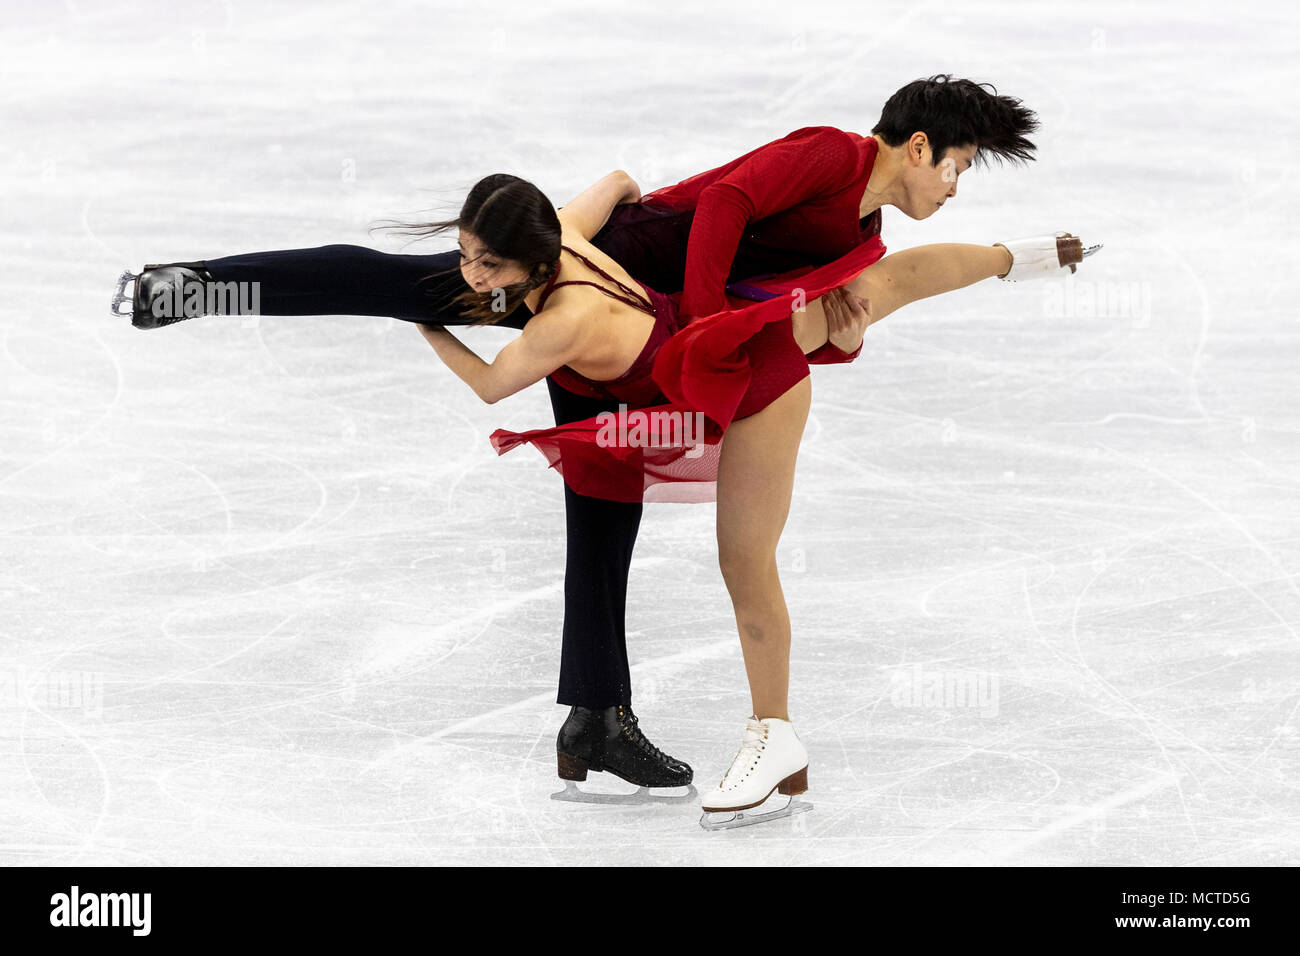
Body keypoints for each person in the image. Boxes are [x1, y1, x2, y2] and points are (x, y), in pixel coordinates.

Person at [115, 75, 1043, 793]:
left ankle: (597, 715)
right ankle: (191, 285)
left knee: (606, 500)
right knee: (399, 285)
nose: (956, 186)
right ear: (917, 145)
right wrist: (706, 329)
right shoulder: (834, 157)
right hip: (607, 277)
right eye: (958, 165)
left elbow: (803, 297)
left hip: (649, 331)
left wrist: (832, 324)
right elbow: (722, 209)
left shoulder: (868, 228)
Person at [411, 172, 1098, 825]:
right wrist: (633, 203)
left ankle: (776, 738)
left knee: (746, 566)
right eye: (468, 256)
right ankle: (1024, 256)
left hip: (743, 385)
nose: (471, 275)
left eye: (487, 264)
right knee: (882, 287)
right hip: (724, 328)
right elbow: (619, 178)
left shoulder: (559, 321)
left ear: (533, 258)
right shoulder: (567, 232)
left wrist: (426, 324)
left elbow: (494, 386)